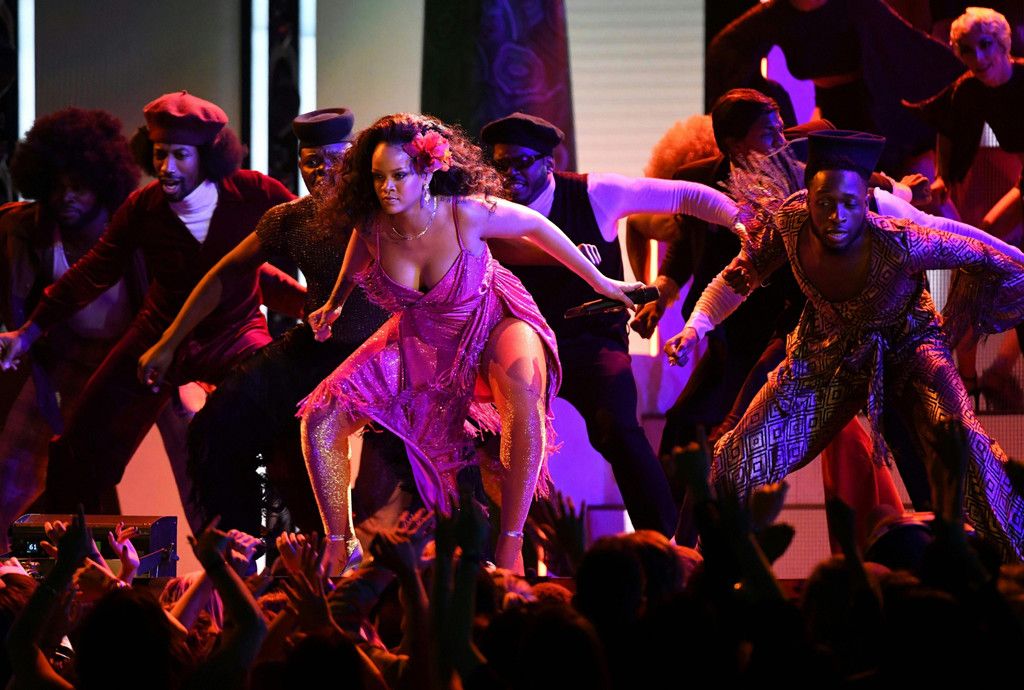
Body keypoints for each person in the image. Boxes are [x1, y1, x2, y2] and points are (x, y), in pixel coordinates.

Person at [300, 113, 737, 573]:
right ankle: (346, 542)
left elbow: (544, 226)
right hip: (427, 337)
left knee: (587, 418)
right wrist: (334, 304)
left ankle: (600, 548)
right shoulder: (380, 221)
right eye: (378, 177)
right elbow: (360, 250)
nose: (386, 188)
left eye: (398, 175)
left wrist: (607, 281)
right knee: (324, 415)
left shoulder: (497, 205)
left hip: (516, 329)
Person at [667, 129, 1024, 559]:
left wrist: (967, 310)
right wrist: (695, 326)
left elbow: (983, 252)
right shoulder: (789, 223)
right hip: (828, 354)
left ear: (865, 201)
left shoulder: (898, 238)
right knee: (736, 457)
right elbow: (740, 273)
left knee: (966, 451)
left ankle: (1013, 562)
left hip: (911, 349)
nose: (836, 215)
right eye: (824, 203)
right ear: (808, 199)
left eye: (849, 204)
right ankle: (704, 564)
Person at [0, 91, 299, 515]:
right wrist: (28, 332)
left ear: (207, 156)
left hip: (233, 334)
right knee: (81, 444)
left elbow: (302, 239)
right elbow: (90, 273)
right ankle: (67, 543)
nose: (167, 167)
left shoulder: (254, 193)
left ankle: (259, 544)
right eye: (160, 154)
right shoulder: (143, 208)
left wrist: (327, 301)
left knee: (267, 427)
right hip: (153, 339)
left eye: (180, 155)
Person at [137, 107, 412, 540]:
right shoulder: (291, 218)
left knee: (389, 482)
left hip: (391, 354)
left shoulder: (390, 212)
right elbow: (225, 273)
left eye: (335, 159)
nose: (322, 171)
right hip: (322, 348)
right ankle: (241, 545)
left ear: (356, 161)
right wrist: (169, 342)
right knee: (221, 422)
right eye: (311, 161)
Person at [478, 112, 737, 537]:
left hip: (591, 342)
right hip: (521, 347)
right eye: (500, 164)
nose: (509, 175)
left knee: (616, 428)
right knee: (492, 444)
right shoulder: (487, 209)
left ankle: (665, 543)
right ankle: (502, 557)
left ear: (548, 163)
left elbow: (685, 195)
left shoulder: (595, 193)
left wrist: (740, 221)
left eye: (520, 163)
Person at [0, 108, 188, 547]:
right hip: (69, 357)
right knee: (12, 472)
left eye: (79, 187)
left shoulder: (140, 226)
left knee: (197, 451)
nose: (66, 197)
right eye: (56, 187)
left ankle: (230, 557)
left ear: (103, 184)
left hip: (144, 353)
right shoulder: (25, 229)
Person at [907, 7, 1024, 409]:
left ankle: (994, 372)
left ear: (1003, 43)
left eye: (985, 45)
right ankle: (977, 378)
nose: (978, 57)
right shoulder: (969, 90)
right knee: (984, 256)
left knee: (994, 252)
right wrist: (943, 176)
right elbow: (949, 129)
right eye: (968, 50)